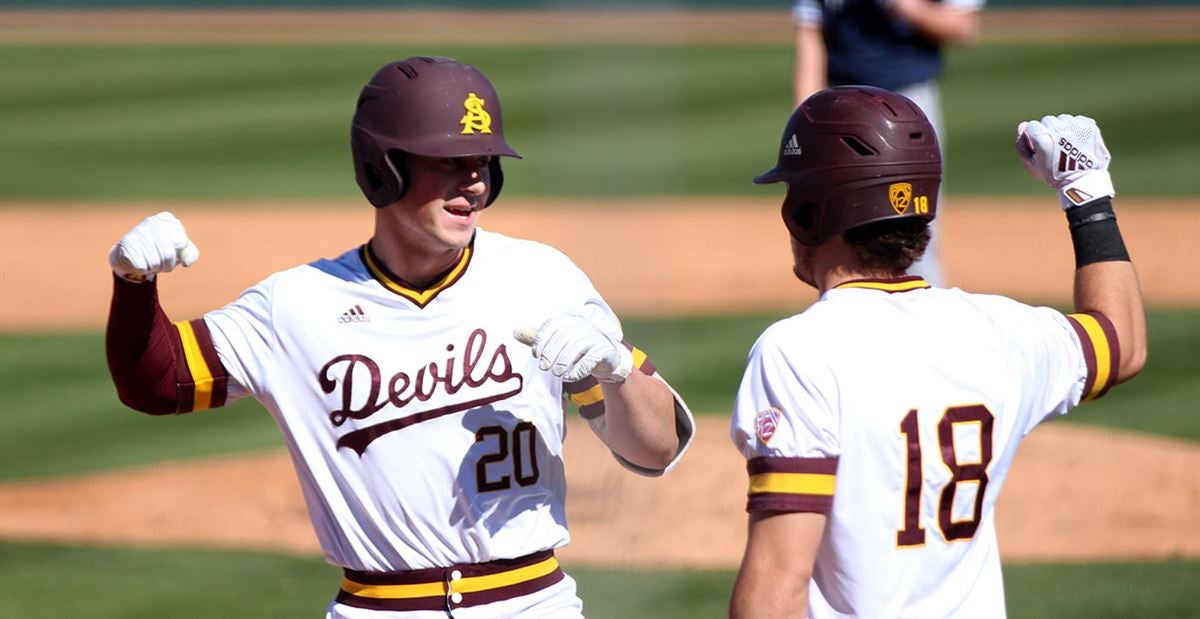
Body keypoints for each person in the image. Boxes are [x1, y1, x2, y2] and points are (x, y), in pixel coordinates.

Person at [105, 56, 695, 618]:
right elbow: (157, 383)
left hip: (533, 604)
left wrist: (614, 370)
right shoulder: (296, 305)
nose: (475, 184)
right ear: (383, 169)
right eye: (448, 162)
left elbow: (656, 448)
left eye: (483, 163)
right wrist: (134, 285)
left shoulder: (543, 277)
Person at [727, 86, 1146, 618]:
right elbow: (1122, 343)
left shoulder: (798, 352)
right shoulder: (1000, 331)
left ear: (809, 212)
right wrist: (1085, 189)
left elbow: (778, 585)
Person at [792, 0, 985, 287]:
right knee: (835, 225)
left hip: (908, 106)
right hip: (840, 108)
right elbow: (810, 34)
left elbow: (963, 27)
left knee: (913, 225)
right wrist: (806, 119)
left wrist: (904, 6)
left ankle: (926, 320)